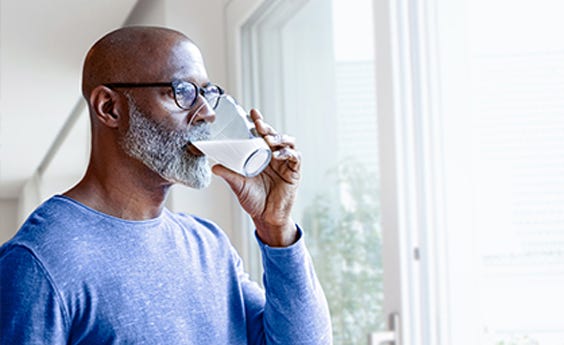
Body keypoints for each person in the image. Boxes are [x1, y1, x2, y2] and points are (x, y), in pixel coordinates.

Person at [0, 26, 332, 344]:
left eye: (208, 93)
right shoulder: (37, 261)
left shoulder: (209, 246)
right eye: (184, 92)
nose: (207, 114)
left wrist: (276, 227)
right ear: (110, 108)